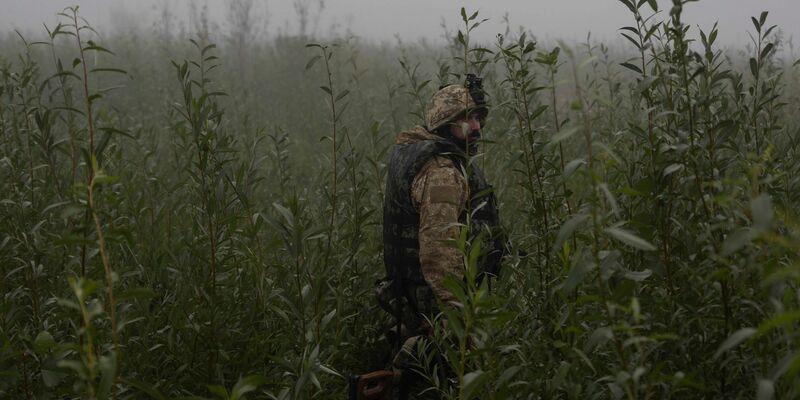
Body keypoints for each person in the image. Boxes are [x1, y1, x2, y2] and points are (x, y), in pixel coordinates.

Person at [377, 74, 506, 398]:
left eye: (477, 117)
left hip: (414, 293)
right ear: (445, 125)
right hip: (434, 300)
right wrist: (456, 312)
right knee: (439, 381)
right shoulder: (440, 172)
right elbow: (439, 249)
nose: (476, 127)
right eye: (465, 119)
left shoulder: (423, 154)